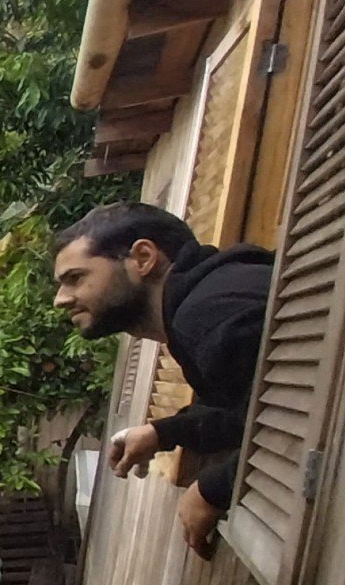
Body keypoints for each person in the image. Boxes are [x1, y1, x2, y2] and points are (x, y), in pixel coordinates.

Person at [51, 202, 274, 557]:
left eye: (75, 278)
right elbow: (246, 407)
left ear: (143, 257)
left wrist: (213, 489)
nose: (60, 300)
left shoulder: (210, 314)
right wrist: (164, 433)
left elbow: (301, 416)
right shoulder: (207, 301)